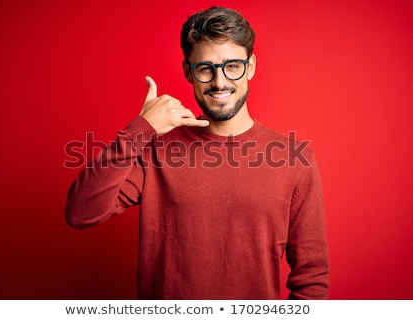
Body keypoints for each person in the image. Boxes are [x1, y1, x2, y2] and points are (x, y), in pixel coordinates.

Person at [65, 6, 329, 299]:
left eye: (232, 66)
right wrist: (140, 130)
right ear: (188, 72)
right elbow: (81, 213)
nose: (219, 82)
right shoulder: (156, 149)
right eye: (205, 68)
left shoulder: (294, 159)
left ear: (251, 66)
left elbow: (312, 277)